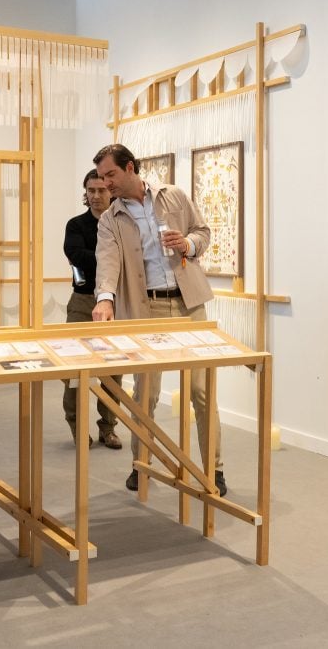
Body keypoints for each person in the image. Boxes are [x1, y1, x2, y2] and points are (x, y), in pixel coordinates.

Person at [91, 144, 227, 497]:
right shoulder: (110, 219)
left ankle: (214, 468)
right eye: (102, 178)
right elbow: (107, 263)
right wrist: (105, 300)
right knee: (146, 392)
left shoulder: (174, 197)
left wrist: (187, 243)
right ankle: (142, 465)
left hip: (190, 304)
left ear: (131, 168)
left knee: (201, 390)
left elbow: (203, 233)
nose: (106, 185)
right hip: (146, 309)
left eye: (111, 175)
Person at [61, 169, 122, 450]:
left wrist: (103, 258)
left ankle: (108, 427)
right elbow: (76, 255)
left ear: (111, 190)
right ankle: (76, 426)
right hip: (84, 301)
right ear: (85, 193)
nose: (96, 196)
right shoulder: (76, 225)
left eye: (101, 190)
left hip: (115, 302)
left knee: (113, 371)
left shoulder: (122, 223)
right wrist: (111, 258)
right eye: (91, 191)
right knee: (75, 370)